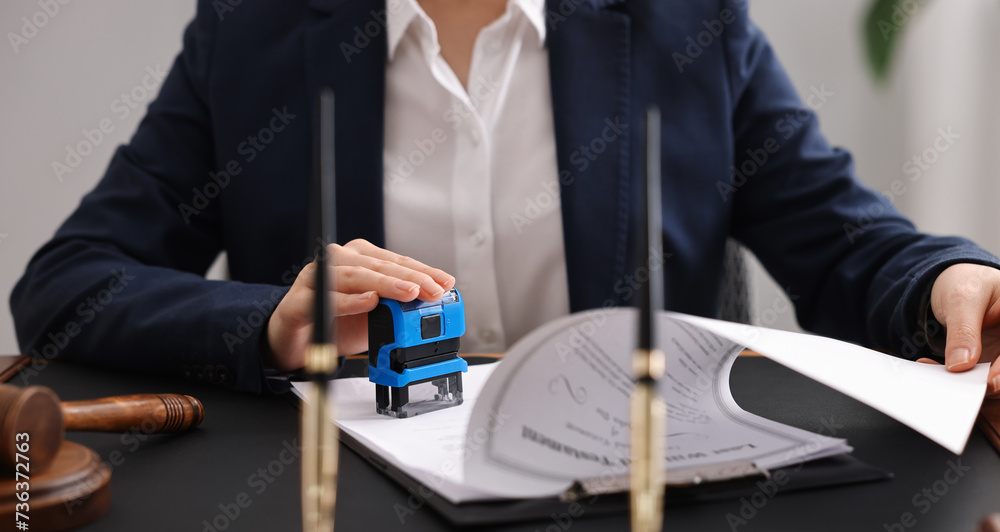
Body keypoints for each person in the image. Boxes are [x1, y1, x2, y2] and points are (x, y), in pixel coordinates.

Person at [11, 0, 1000, 397]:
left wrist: (951, 278)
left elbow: (839, 239)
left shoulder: (684, 21)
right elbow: (69, 284)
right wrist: (267, 321)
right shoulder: (255, 31)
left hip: (642, 524)